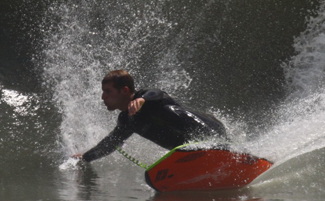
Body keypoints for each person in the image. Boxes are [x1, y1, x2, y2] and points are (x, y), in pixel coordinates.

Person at [76, 69, 228, 163]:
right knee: (116, 136)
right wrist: (85, 158)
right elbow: (108, 144)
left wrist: (143, 99)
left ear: (124, 90)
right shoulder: (126, 120)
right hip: (196, 151)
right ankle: (198, 155)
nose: (103, 97)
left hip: (212, 130)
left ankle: (221, 147)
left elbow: (158, 93)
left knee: (167, 109)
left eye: (108, 92)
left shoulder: (149, 98)